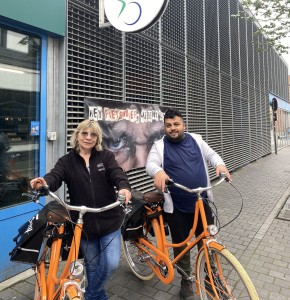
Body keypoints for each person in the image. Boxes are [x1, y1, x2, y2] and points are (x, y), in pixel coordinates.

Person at [30, 119, 132, 300]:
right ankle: (98, 296)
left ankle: (91, 295)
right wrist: (44, 183)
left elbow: (117, 173)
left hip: (110, 219)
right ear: (77, 135)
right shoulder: (67, 161)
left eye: (93, 134)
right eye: (84, 133)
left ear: (97, 138)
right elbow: (55, 176)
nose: (88, 137)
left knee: (110, 264)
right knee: (92, 266)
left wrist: (124, 187)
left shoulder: (105, 156)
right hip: (83, 225)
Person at [145, 108, 231, 299]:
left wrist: (219, 164)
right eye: (168, 125)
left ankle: (211, 276)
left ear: (184, 125)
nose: (172, 128)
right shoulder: (159, 146)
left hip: (202, 202)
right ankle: (186, 278)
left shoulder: (196, 140)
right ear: (164, 128)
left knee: (208, 240)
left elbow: (212, 155)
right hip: (176, 206)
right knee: (181, 245)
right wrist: (158, 172)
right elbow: (150, 164)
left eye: (176, 124)